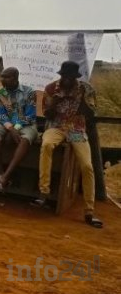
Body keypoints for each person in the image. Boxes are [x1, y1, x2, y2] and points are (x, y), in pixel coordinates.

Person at [35, 61, 102, 228]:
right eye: (64, 76)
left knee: (87, 166)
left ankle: (89, 210)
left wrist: (82, 102)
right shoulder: (51, 89)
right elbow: (47, 114)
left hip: (76, 129)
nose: (66, 80)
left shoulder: (86, 89)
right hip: (56, 126)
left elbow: (91, 114)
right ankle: (44, 191)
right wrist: (56, 102)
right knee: (47, 145)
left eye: (69, 77)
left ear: (75, 77)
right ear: (61, 75)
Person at [0, 67, 38, 192]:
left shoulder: (29, 92)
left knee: (25, 140)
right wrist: (10, 128)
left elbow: (30, 115)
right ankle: (1, 172)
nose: (2, 80)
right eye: (2, 77)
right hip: (6, 123)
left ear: (15, 78)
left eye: (6, 77)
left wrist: (15, 128)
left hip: (26, 124)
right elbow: (0, 114)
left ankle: (6, 176)